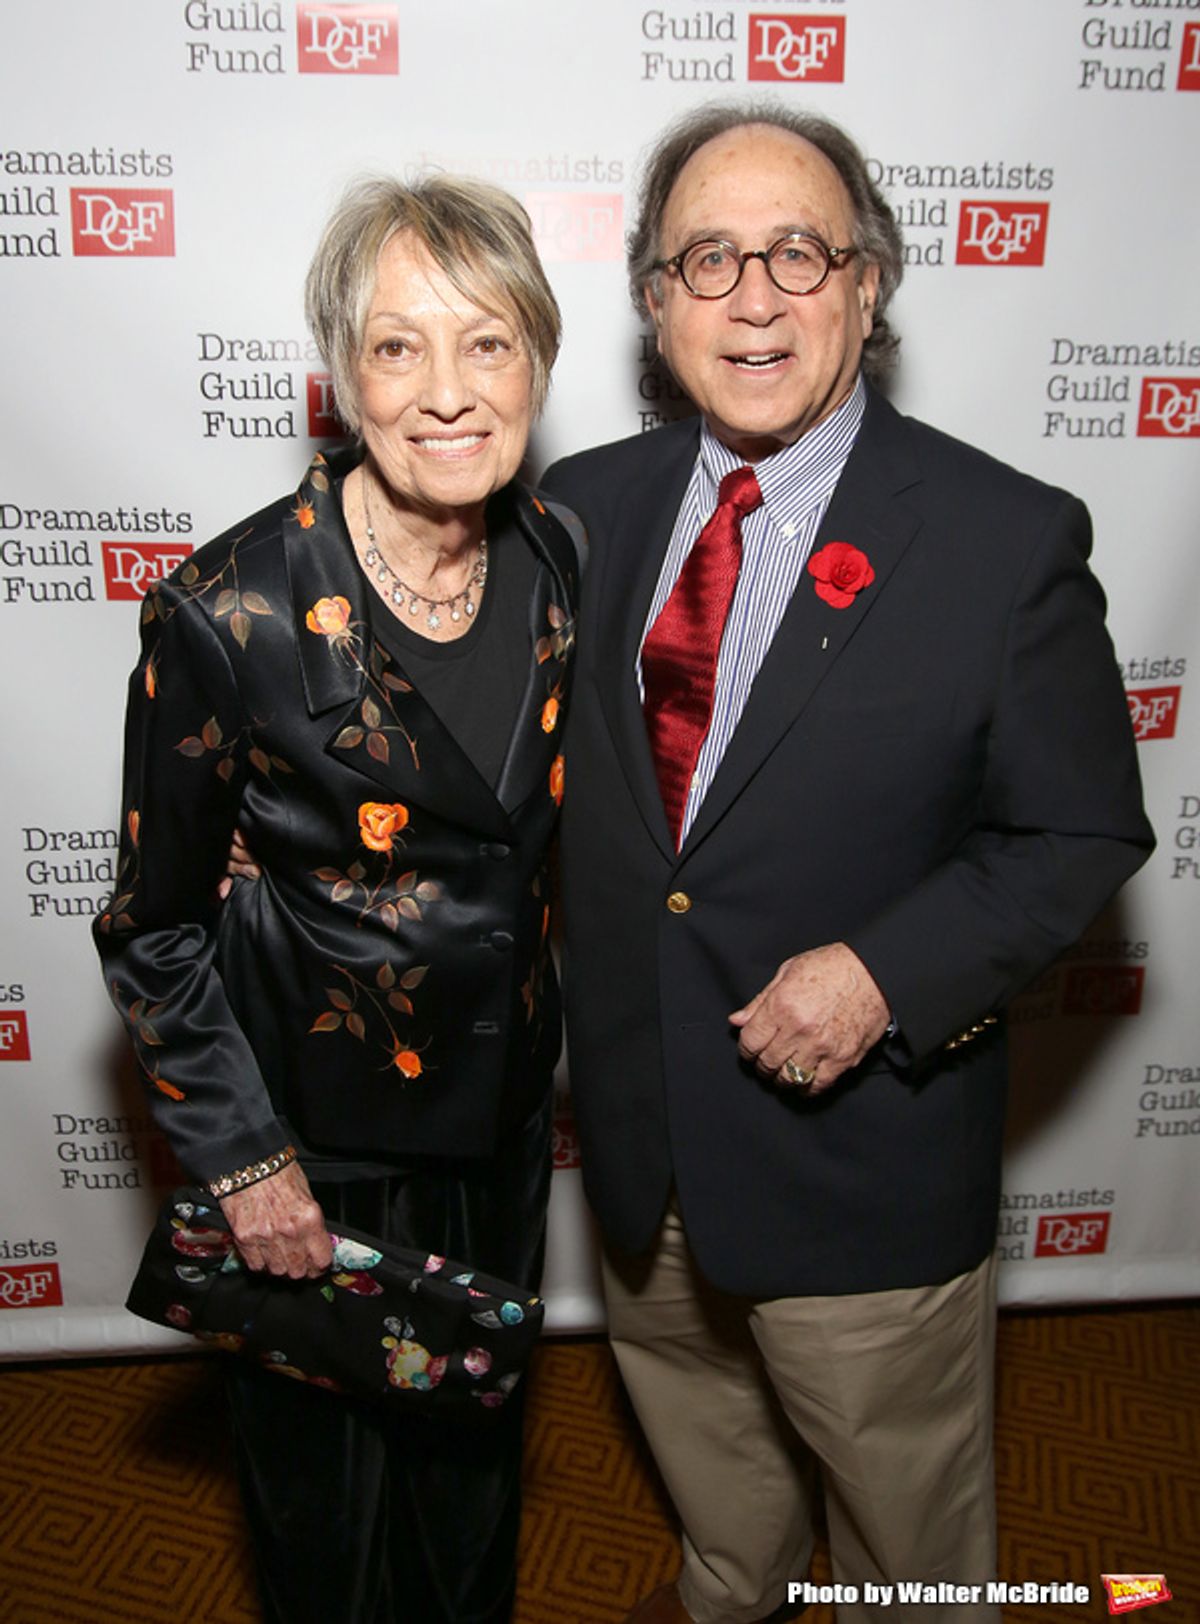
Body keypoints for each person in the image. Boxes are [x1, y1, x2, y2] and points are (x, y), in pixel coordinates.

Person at [541, 102, 1152, 1624]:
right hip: (641, 1141)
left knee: (907, 1543)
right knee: (712, 1470)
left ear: (869, 286)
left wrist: (885, 975)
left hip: (858, 1166)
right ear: (657, 301)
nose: (753, 296)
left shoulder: (1004, 540)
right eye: (708, 258)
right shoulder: (577, 515)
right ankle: (733, 1592)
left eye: (797, 253)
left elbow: (1079, 831)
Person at [95, 174, 580, 1624]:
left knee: (470, 1482)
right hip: (316, 1137)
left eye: (488, 343)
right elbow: (153, 927)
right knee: (323, 1517)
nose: (448, 392)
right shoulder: (228, 613)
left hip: (498, 1122)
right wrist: (245, 1165)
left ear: (538, 360)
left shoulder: (559, 558)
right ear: (340, 375)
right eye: (397, 346)